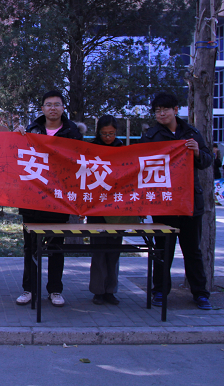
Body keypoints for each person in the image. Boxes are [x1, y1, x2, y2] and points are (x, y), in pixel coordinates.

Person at [140, 92, 213, 310]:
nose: (161, 114)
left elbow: (207, 160)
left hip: (190, 202)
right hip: (164, 203)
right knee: (163, 250)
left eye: (165, 109)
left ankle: (200, 293)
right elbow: (140, 166)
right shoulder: (150, 136)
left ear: (176, 110)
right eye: (157, 111)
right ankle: (160, 291)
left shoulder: (191, 133)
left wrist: (197, 152)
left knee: (192, 251)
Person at [15, 90, 83, 307]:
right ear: (42, 108)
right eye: (49, 104)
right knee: (30, 248)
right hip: (32, 200)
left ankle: (55, 290)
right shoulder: (31, 130)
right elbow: (16, 158)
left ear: (63, 108)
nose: (53, 108)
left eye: (57, 104)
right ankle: (29, 289)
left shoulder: (73, 133)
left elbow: (80, 164)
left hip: (58, 200)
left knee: (55, 247)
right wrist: (15, 137)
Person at [87, 115, 123, 306]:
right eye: (104, 134)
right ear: (98, 133)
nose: (108, 137)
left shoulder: (123, 149)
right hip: (96, 207)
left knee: (114, 251)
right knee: (99, 251)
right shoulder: (92, 149)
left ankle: (111, 290)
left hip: (117, 207)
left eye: (111, 133)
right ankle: (98, 291)